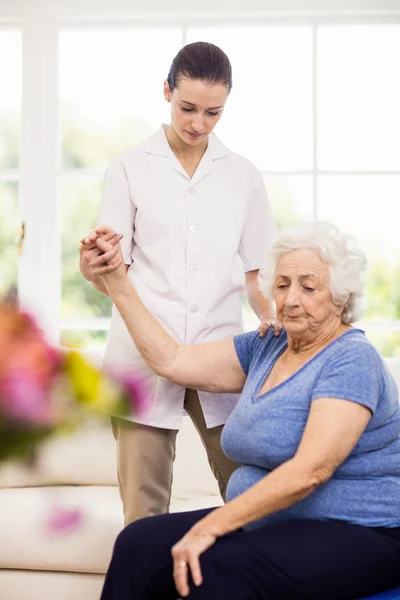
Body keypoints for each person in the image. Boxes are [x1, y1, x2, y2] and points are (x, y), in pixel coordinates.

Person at [88, 220, 399, 600]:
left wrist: (210, 526)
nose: (291, 299)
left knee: (212, 570)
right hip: (281, 524)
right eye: (282, 285)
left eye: (308, 286)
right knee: (140, 543)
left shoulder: (351, 359)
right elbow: (173, 360)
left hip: (363, 531)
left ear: (340, 296)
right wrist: (118, 283)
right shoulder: (268, 346)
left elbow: (310, 471)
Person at [79, 42, 278, 526]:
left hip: (220, 354)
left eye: (214, 112)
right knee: (144, 516)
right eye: (187, 107)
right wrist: (92, 265)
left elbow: (258, 275)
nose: (198, 123)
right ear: (166, 91)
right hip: (141, 356)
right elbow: (110, 275)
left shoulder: (243, 176)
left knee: (253, 504)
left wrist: (271, 317)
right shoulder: (128, 168)